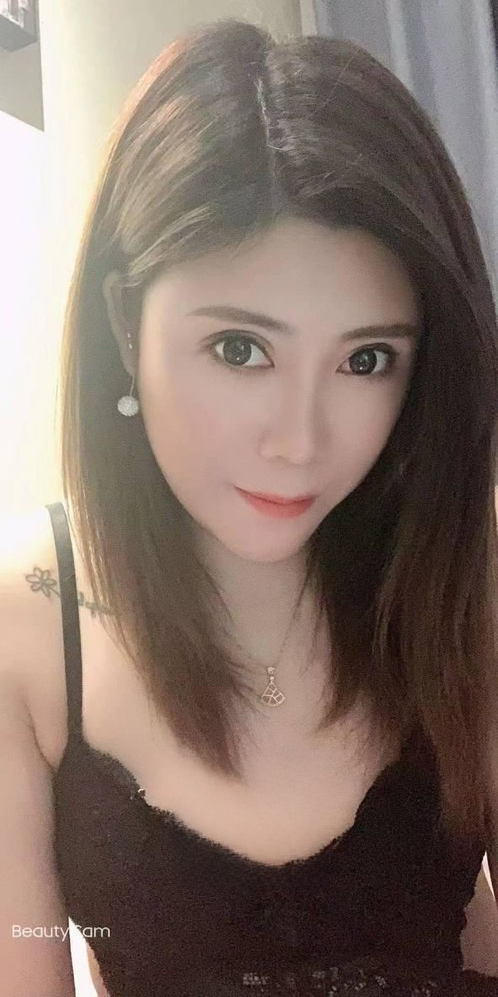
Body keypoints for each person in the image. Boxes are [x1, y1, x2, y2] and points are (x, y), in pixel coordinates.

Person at [2, 16, 498, 997]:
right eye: (240, 349)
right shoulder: (27, 625)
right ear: (125, 323)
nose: (300, 440)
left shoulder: (464, 576)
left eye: (367, 359)